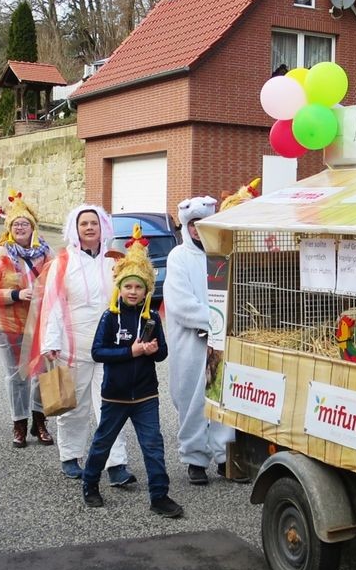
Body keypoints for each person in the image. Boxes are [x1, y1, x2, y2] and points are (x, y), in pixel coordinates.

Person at [81, 224, 182, 518]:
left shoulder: (151, 317)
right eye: (128, 286)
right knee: (102, 443)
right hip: (115, 395)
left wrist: (151, 350)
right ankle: (90, 486)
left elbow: (162, 354)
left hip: (146, 395)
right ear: (120, 288)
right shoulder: (109, 317)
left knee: (153, 447)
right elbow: (98, 352)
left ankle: (159, 496)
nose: (133, 291)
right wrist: (131, 351)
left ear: (147, 289)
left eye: (138, 287)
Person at [29, 204, 135, 483]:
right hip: (71, 345)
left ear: (103, 228)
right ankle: (70, 456)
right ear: (74, 229)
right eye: (84, 224)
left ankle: (116, 464)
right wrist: (50, 342)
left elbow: (129, 299)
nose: (89, 228)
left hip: (109, 346)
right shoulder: (63, 262)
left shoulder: (116, 260)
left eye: (94, 223)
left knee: (111, 405)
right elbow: (52, 304)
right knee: (73, 406)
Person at [166, 196, 239, 485]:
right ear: (187, 226)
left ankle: (224, 456)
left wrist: (223, 325)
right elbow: (181, 303)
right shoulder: (178, 257)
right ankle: (195, 458)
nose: (197, 229)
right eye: (193, 225)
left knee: (222, 394)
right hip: (191, 342)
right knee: (192, 398)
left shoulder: (222, 255)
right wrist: (214, 321)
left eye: (202, 223)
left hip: (221, 341)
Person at [0, 190, 54, 448]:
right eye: (16, 224)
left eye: (25, 224)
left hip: (40, 324)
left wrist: (47, 292)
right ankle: (18, 423)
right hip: (9, 325)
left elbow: (59, 283)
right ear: (9, 229)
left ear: (33, 227)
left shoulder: (46, 254)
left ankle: (39, 420)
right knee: (17, 376)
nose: (20, 228)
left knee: (42, 373)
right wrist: (17, 293)